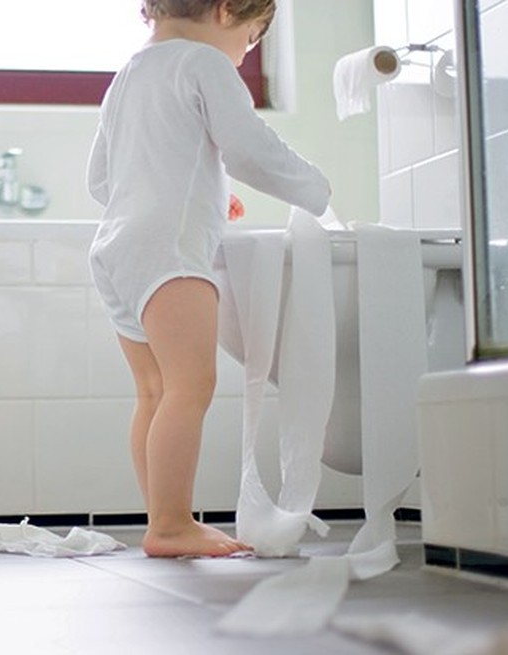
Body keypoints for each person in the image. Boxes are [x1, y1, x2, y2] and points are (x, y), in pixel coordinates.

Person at [86, 0, 331, 558]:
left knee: (155, 390)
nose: (244, 55)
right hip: (170, 251)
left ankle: (163, 519)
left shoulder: (128, 74)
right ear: (226, 12)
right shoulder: (204, 63)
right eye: (251, 38)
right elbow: (248, 149)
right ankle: (172, 525)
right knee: (190, 386)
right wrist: (316, 189)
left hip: (118, 247)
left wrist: (205, 195)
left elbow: (101, 179)